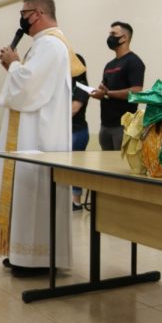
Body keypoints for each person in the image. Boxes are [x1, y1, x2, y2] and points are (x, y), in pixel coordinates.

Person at [0, 0, 84, 278]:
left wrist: (14, 64)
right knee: (27, 196)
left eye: (24, 13)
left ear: (37, 13)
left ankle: (36, 259)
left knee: (35, 194)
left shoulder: (50, 45)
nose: (22, 19)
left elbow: (29, 88)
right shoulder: (45, 45)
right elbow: (31, 82)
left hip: (39, 138)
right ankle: (22, 253)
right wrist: (14, 66)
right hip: (34, 130)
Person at [90, 21, 145, 151]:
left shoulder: (134, 62)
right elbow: (103, 89)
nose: (110, 37)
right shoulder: (109, 65)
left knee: (119, 166)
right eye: (110, 34)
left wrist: (108, 94)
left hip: (123, 126)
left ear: (124, 38)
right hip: (105, 126)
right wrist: (96, 93)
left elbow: (136, 92)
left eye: (113, 34)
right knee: (106, 165)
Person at [71, 53, 89, 211]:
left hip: (77, 132)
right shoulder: (66, 84)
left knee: (75, 167)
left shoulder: (82, 85)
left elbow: (74, 109)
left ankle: (76, 201)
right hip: (66, 132)